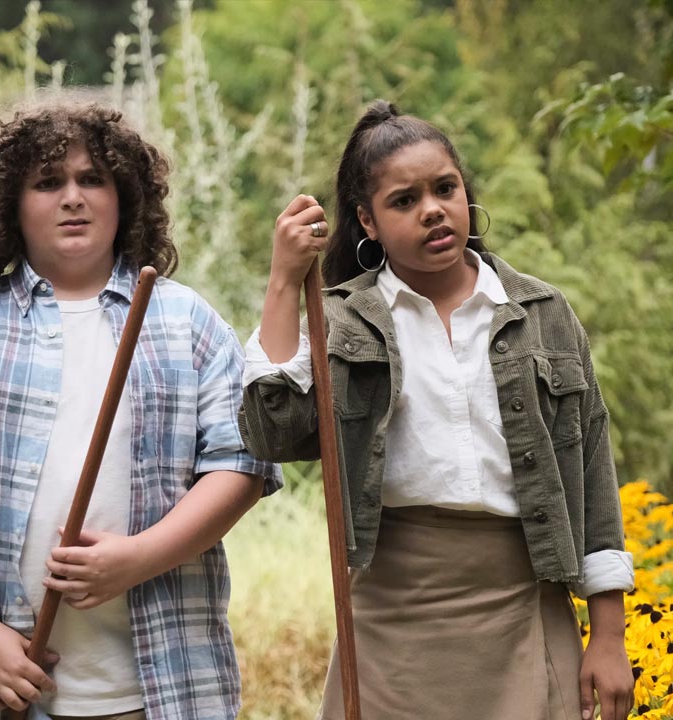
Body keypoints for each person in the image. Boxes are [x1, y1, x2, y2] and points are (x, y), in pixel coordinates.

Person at [239, 100, 635, 720]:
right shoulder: (342, 321)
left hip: (525, 605)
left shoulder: (543, 314)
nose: (432, 210)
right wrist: (285, 282)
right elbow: (273, 434)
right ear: (367, 221)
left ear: (465, 193)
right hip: (389, 624)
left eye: (445, 188)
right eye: (404, 201)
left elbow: (592, 473)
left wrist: (608, 637)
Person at [0, 104, 281, 719]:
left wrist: (140, 557)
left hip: (165, 683)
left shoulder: (184, 320)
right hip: (8, 683)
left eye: (92, 179)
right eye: (47, 182)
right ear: (9, 204)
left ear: (125, 196)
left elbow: (241, 465)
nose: (72, 197)